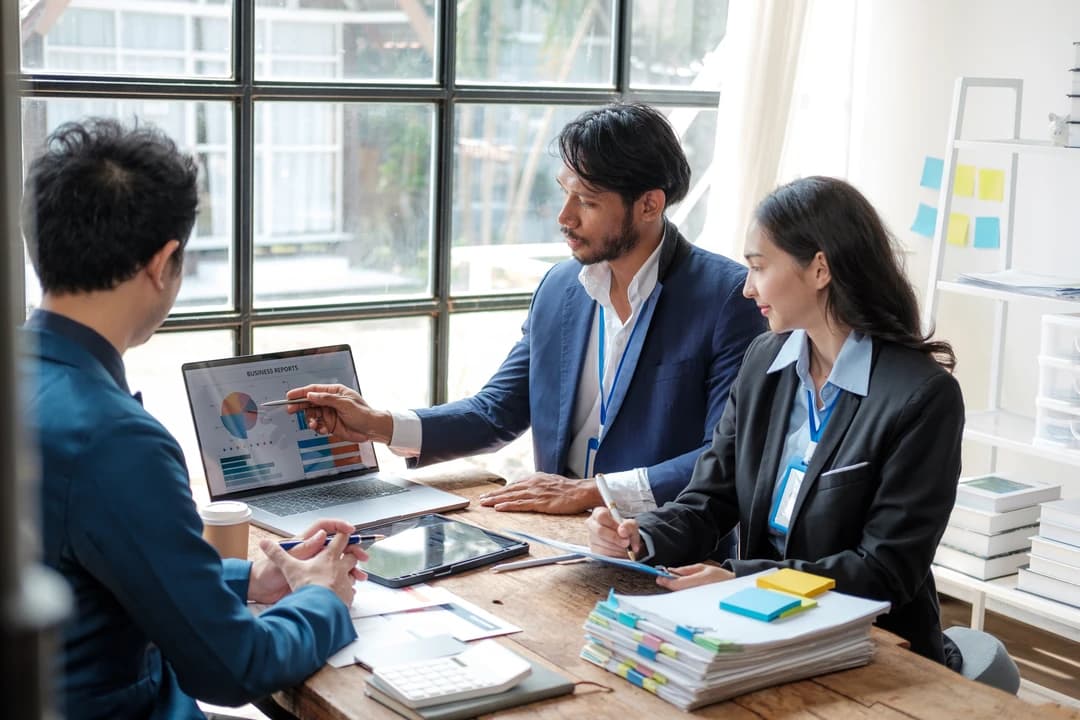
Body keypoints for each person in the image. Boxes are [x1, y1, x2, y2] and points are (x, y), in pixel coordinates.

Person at [20, 118, 366, 720]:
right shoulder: (113, 437)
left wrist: (246, 578)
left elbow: (87, 566)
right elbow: (234, 667)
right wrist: (320, 599)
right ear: (164, 262)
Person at [286, 103, 764, 519]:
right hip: (556, 536)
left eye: (588, 201)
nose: (565, 217)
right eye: (565, 192)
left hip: (666, 551)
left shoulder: (728, 299)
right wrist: (377, 424)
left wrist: (590, 493)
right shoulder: (560, 288)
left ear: (649, 205)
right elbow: (496, 413)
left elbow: (722, 457)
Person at [587, 176, 965, 668]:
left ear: (820, 270)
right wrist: (642, 534)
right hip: (760, 628)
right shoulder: (765, 360)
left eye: (759, 267)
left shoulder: (921, 397)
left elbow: (885, 570)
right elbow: (711, 499)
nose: (747, 288)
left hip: (872, 649)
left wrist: (747, 578)